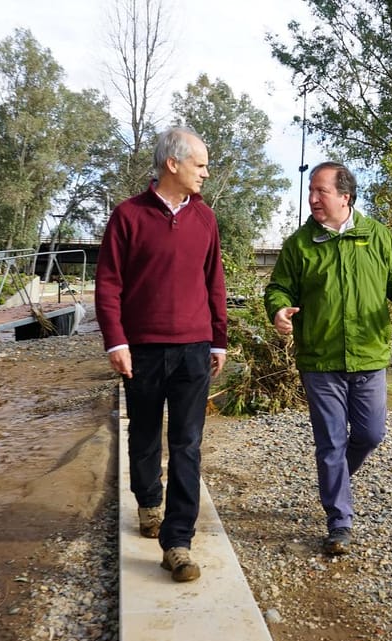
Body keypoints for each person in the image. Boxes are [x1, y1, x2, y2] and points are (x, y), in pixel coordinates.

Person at [264, 161, 392, 556]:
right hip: (320, 361)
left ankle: (334, 479)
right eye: (311, 191)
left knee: (371, 435)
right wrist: (279, 310)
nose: (312, 199)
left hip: (369, 356)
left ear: (345, 196)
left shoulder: (377, 236)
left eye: (321, 191)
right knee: (331, 443)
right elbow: (279, 288)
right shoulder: (300, 244)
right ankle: (339, 522)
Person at [95, 127, 227, 583]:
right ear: (173, 164)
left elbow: (215, 282)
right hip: (144, 350)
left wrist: (219, 339)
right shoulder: (127, 216)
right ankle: (149, 502)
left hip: (193, 349)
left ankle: (178, 542)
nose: (205, 173)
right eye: (201, 164)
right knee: (146, 434)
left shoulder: (206, 219)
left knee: (187, 444)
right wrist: (116, 341)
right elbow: (109, 284)